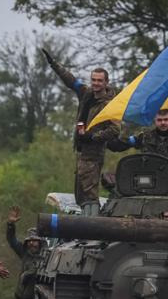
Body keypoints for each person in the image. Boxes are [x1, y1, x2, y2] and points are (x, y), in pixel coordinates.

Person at [42, 49, 119, 211]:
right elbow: (71, 81)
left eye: (99, 81)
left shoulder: (109, 104)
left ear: (106, 82)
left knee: (90, 194)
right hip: (82, 152)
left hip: (94, 153)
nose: (96, 83)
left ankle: (93, 229)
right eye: (93, 80)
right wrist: (54, 64)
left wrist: (93, 137)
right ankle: (86, 226)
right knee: (80, 195)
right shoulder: (86, 93)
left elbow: (115, 130)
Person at [108, 109, 168, 188]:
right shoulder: (145, 137)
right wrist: (111, 134)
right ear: (154, 121)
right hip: (148, 182)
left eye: (166, 120)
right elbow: (120, 146)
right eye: (159, 120)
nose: (163, 123)